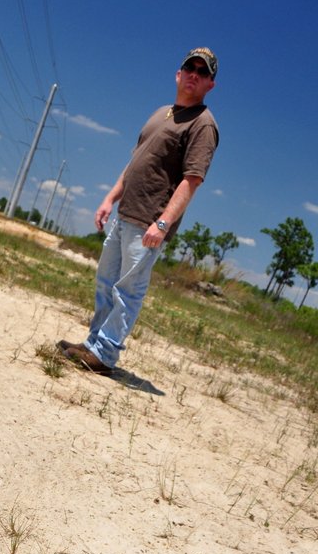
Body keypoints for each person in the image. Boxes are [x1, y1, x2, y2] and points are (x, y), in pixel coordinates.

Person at [58, 47, 220, 376]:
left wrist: (163, 223)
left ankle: (104, 355)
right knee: (106, 283)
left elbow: (193, 180)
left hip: (150, 220)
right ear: (178, 73)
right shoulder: (162, 113)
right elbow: (135, 163)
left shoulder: (203, 124)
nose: (194, 74)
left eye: (203, 72)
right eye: (190, 67)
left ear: (210, 85)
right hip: (125, 213)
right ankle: (93, 345)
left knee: (128, 290)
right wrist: (110, 198)